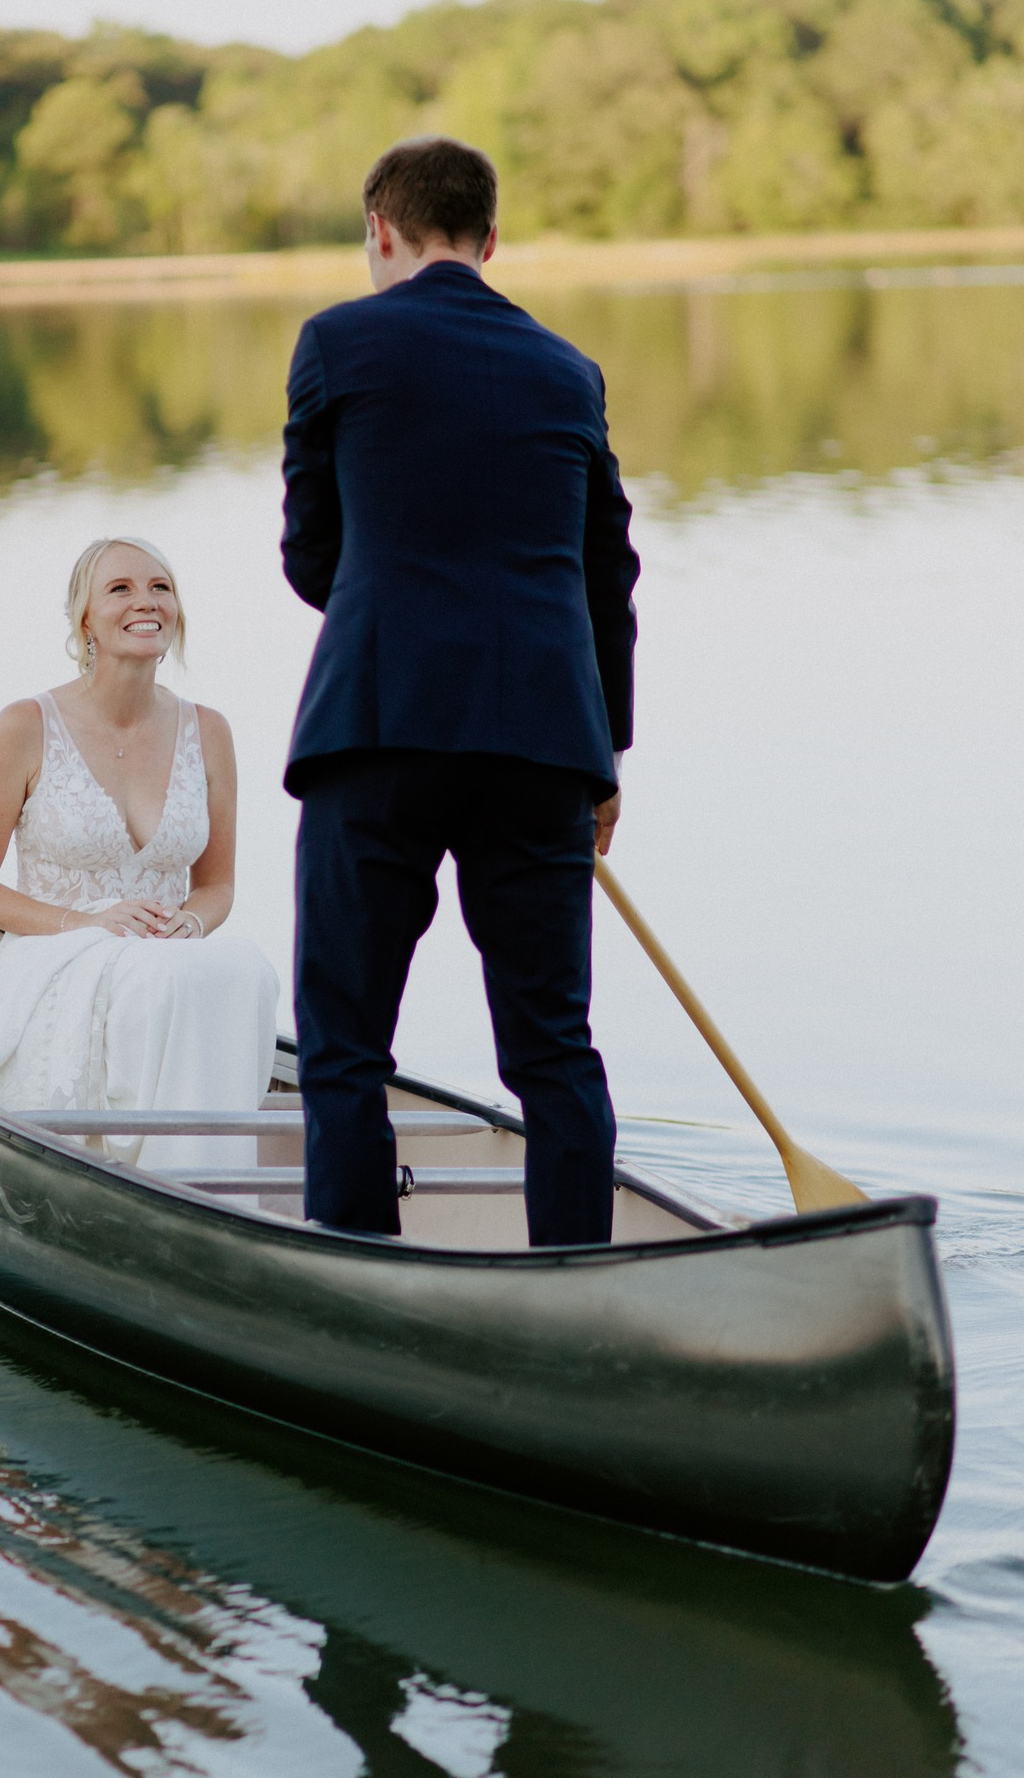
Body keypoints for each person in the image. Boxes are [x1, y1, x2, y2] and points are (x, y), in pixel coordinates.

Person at [281, 137, 640, 1246]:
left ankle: (355, 1270)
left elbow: (309, 555)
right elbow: (607, 577)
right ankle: (578, 1274)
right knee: (552, 1045)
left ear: (380, 232)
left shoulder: (337, 341)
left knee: (344, 1036)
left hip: (378, 726)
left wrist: (389, 593)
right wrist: (606, 756)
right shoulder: (568, 369)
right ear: (491, 239)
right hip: (542, 743)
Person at [0, 536, 279, 1167]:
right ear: (85, 618)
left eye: (160, 587)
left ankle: (209, 1185)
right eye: (120, 588)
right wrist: (89, 924)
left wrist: (189, 922)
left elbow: (217, 886)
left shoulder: (210, 732)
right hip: (55, 962)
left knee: (246, 968)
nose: (145, 602)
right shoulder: (25, 725)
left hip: (165, 961)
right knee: (157, 979)